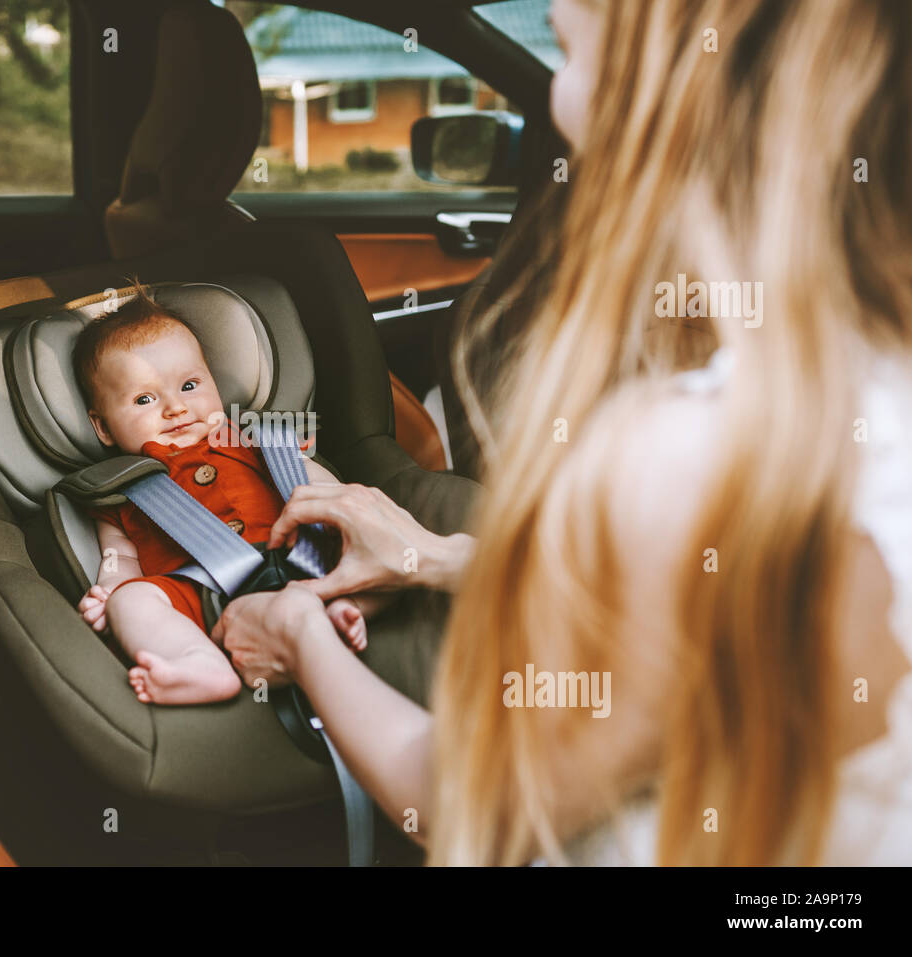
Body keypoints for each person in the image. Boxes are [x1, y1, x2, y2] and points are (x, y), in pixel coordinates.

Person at [212, 0, 912, 865]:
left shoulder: (685, 462)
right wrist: (431, 553)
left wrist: (300, 637)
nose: (555, 8)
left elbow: (466, 808)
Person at [72, 284, 384, 705]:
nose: (175, 409)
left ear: (214, 385)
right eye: (144, 399)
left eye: (189, 386)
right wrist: (110, 588)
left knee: (370, 546)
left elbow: (309, 481)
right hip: (202, 596)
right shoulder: (123, 487)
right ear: (103, 427)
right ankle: (198, 661)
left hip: (303, 559)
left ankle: (343, 610)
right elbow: (120, 556)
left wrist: (345, 512)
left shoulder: (257, 441)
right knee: (132, 602)